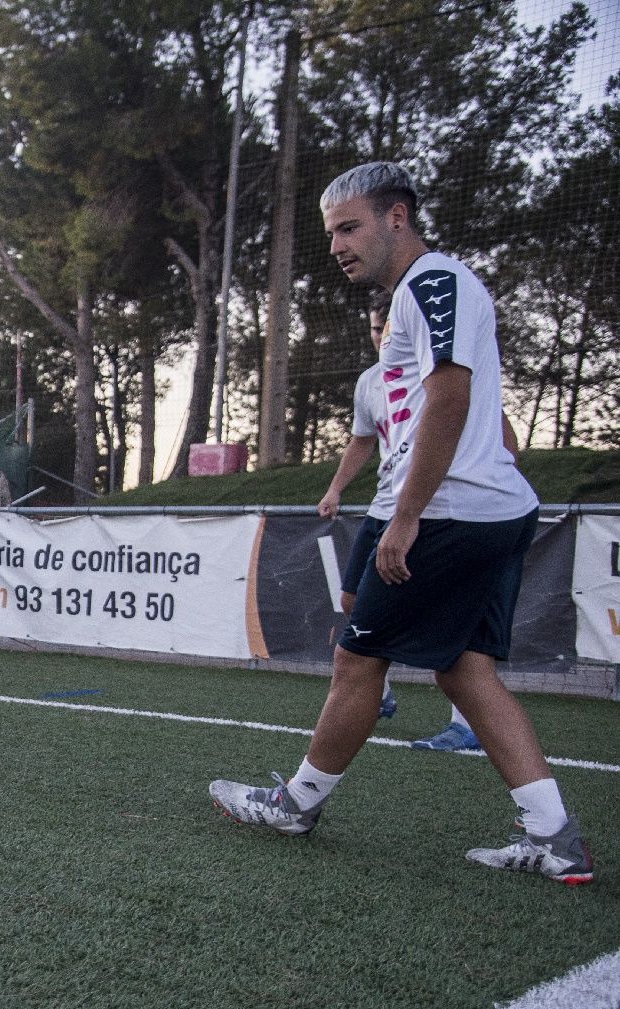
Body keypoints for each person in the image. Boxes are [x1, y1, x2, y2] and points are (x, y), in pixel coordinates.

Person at [210, 161, 591, 885]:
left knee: (357, 660)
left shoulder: (431, 282)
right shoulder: (426, 295)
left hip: (450, 512)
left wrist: (407, 515)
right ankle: (556, 836)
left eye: (350, 227)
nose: (338, 246)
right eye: (331, 234)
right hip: (492, 509)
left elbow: (449, 397)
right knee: (464, 669)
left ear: (397, 218)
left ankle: (295, 803)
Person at [317, 292, 525, 753]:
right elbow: (361, 442)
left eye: (389, 326)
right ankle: (377, 691)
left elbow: (504, 441)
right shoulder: (372, 382)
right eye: (376, 328)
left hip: (440, 511)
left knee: (458, 644)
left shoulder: (446, 375)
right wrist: (335, 489)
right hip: (385, 506)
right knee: (353, 603)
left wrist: (487, 478)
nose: (383, 336)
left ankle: (302, 795)